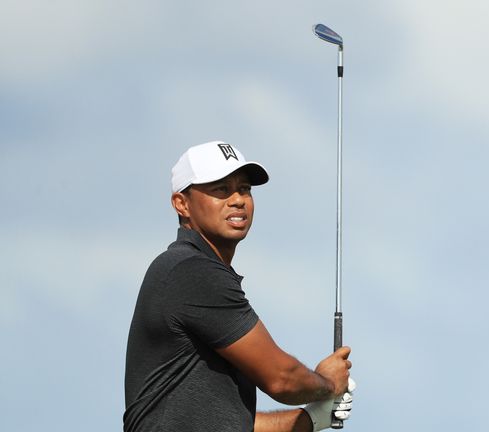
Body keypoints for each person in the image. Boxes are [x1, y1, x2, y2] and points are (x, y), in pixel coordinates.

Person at [124, 141, 354, 432]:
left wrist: (312, 419)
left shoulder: (196, 271)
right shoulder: (191, 271)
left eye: (244, 189)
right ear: (181, 203)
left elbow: (233, 424)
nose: (237, 200)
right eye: (221, 189)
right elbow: (281, 378)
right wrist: (328, 382)